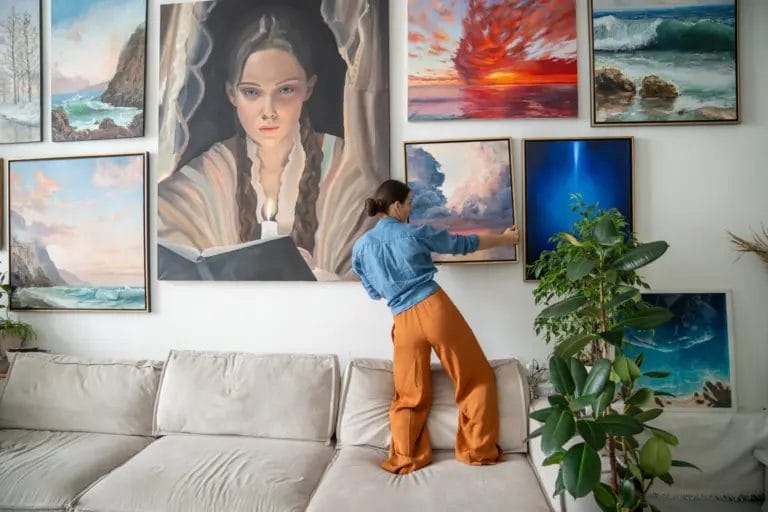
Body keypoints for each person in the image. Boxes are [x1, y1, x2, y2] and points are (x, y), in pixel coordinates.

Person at [158, 12, 343, 280]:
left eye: (286, 90)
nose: (269, 111)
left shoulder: (343, 163)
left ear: (308, 89)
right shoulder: (208, 175)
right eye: (252, 92)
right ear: (232, 94)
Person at [351, 179, 519, 474]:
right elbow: (461, 244)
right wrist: (505, 240)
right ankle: (478, 451)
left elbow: (373, 292)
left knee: (409, 394)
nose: (411, 208)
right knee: (474, 376)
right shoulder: (413, 233)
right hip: (434, 308)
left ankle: (406, 458)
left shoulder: (360, 248)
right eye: (410, 203)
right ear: (396, 206)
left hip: (402, 320)